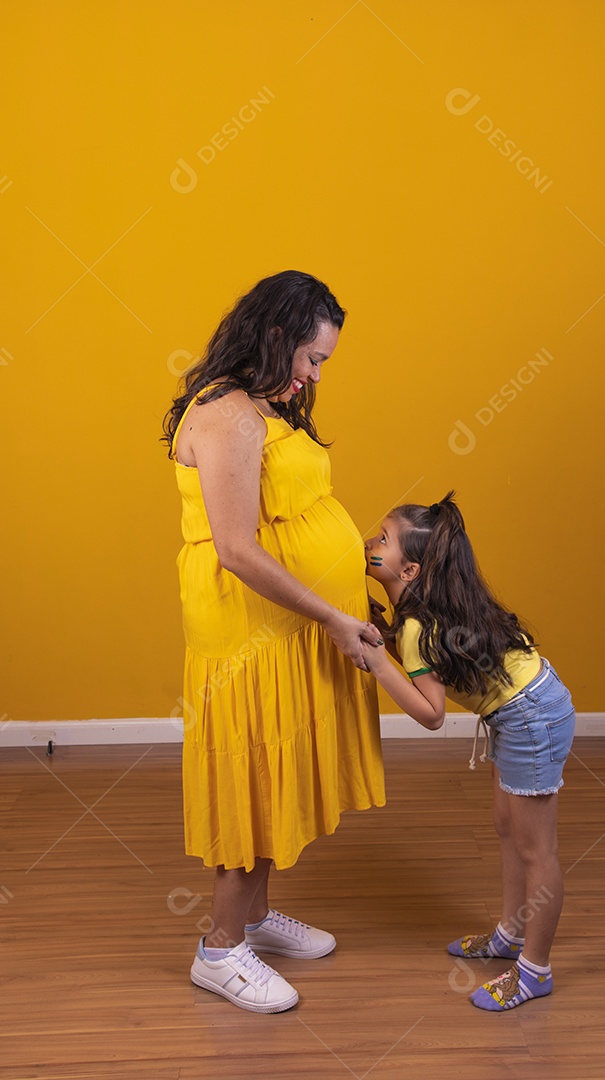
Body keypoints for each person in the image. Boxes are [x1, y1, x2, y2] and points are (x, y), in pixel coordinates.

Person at [162, 270, 385, 1014]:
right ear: (277, 336)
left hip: (284, 627)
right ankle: (220, 952)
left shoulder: (265, 403)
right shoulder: (227, 415)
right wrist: (329, 614)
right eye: (312, 359)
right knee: (252, 781)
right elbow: (236, 548)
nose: (314, 376)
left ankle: (253, 919)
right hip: (248, 632)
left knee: (276, 762)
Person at [361, 492, 575, 1012]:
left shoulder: (415, 626)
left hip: (531, 716)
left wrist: (376, 660)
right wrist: (386, 638)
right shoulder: (420, 614)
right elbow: (430, 665)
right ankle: (509, 934)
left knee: (535, 850)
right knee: (507, 827)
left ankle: (534, 972)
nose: (368, 543)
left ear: (408, 570)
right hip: (523, 709)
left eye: (381, 541)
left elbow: (432, 714)